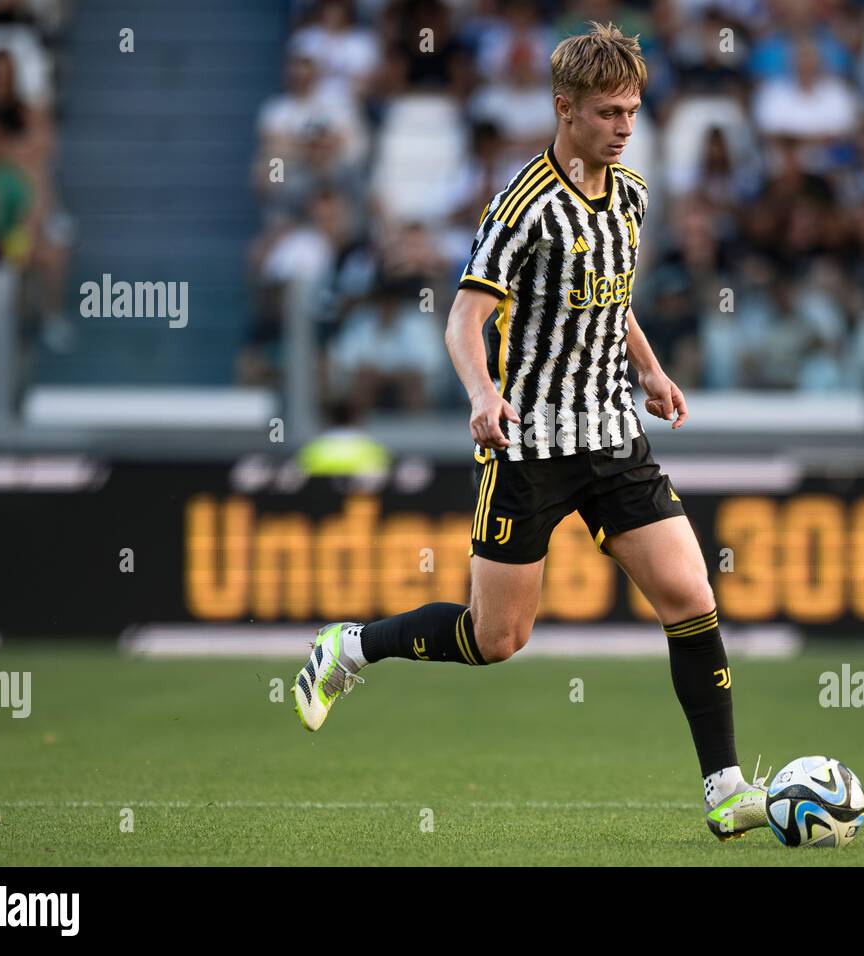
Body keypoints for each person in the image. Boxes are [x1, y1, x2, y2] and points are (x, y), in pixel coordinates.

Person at [290, 22, 769, 841]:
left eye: (633, 111)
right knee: (496, 637)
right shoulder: (523, 208)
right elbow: (463, 322)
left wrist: (649, 370)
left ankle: (724, 790)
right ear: (565, 109)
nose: (625, 127)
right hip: (526, 445)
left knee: (691, 597)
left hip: (613, 436)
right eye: (610, 112)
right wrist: (482, 393)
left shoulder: (633, 195)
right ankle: (353, 648)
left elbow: (612, 304)